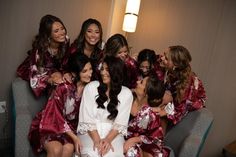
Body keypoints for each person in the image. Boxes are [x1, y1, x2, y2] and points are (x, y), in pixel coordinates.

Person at [28, 53, 93, 157]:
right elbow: (56, 116)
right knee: (56, 149)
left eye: (90, 69)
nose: (89, 74)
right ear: (74, 73)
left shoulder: (90, 88)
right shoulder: (63, 87)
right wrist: (75, 138)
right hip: (50, 124)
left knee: (69, 148)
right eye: (84, 71)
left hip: (70, 129)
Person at [77, 56, 133, 157]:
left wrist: (107, 140)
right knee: (94, 153)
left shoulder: (126, 93)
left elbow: (120, 123)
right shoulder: (91, 87)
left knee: (111, 154)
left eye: (107, 69)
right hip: (90, 132)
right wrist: (97, 140)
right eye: (102, 69)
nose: (103, 72)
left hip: (113, 135)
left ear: (116, 71)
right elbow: (87, 118)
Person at [16, 14, 69, 97]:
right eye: (56, 31)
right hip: (35, 69)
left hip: (54, 69)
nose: (62, 33)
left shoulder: (65, 40)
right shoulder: (40, 50)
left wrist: (63, 73)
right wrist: (50, 79)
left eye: (62, 29)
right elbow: (35, 75)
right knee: (59, 87)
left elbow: (65, 62)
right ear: (48, 35)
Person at [157, 45, 206, 126]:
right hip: (175, 102)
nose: (162, 58)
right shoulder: (172, 70)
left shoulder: (187, 84)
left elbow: (181, 110)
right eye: (164, 54)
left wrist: (163, 112)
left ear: (175, 65)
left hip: (189, 113)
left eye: (166, 58)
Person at [124, 74, 171, 157]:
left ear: (146, 93)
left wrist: (135, 139)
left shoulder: (151, 115)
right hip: (115, 136)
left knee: (133, 153)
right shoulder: (127, 97)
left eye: (141, 82)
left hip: (135, 146)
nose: (137, 82)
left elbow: (156, 139)